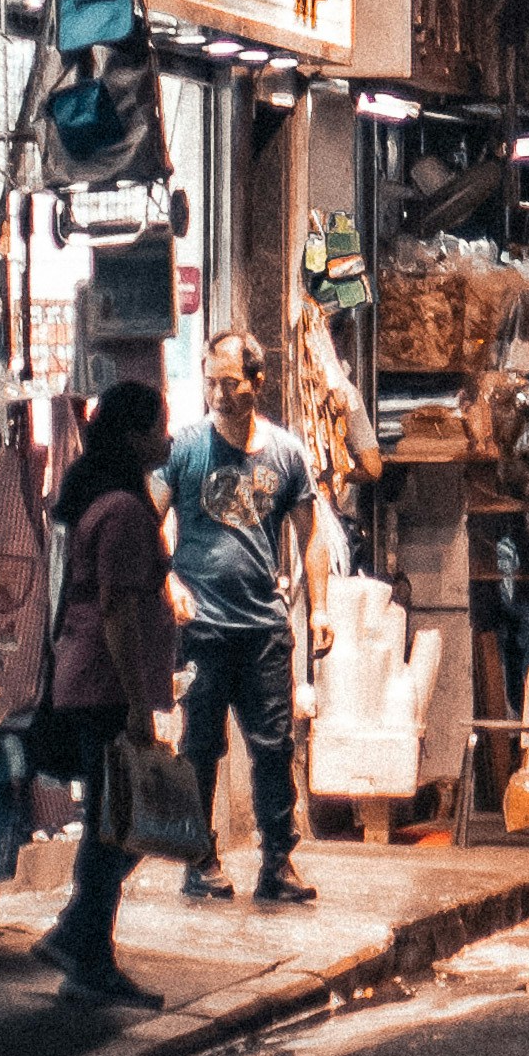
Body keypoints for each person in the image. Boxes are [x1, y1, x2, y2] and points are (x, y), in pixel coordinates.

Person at [163, 330, 324, 907]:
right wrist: (168, 580)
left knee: (274, 747)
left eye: (230, 383)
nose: (219, 395)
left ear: (258, 381)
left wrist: (320, 608)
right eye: (211, 383)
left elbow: (310, 537)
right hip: (202, 629)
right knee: (200, 748)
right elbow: (149, 518)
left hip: (264, 630)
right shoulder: (184, 448)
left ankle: (277, 861)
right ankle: (199, 859)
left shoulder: (286, 454)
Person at [39, 378, 175, 1007]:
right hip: (105, 685)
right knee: (117, 825)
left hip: (94, 681)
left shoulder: (110, 501)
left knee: (113, 822)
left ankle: (80, 940)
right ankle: (85, 949)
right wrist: (139, 704)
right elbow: (119, 611)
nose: (165, 439)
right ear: (132, 435)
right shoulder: (121, 510)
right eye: (156, 427)